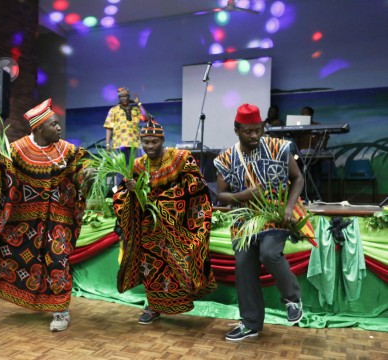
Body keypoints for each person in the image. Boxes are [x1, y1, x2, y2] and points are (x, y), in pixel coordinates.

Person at [0, 99, 93, 332]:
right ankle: (32, 298)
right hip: (24, 221)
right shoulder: (16, 150)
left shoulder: (66, 151)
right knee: (18, 257)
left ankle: (61, 311)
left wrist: (87, 174)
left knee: (57, 261)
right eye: (54, 125)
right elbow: (1, 179)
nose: (59, 128)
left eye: (58, 124)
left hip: (58, 219)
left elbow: (79, 172)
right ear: (38, 129)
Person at [214, 104, 305, 341]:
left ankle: (292, 298)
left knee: (269, 254)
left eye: (258, 130)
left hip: (274, 214)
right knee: (244, 266)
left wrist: (288, 207)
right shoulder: (226, 158)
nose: (254, 135)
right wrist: (243, 195)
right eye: (248, 131)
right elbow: (221, 195)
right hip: (244, 219)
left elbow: (298, 178)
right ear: (237, 130)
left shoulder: (279, 148)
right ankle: (250, 324)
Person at [113, 118, 217, 325]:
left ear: (162, 140)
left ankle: (182, 301)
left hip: (177, 225)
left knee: (177, 264)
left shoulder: (180, 158)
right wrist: (132, 192)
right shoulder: (137, 165)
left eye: (154, 142)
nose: (150, 146)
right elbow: (121, 193)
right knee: (150, 268)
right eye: (146, 142)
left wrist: (163, 203)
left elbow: (196, 186)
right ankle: (152, 307)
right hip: (148, 229)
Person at [104, 87, 149, 183]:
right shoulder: (113, 110)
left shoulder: (135, 110)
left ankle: (135, 193)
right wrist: (107, 144)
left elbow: (146, 118)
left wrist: (139, 104)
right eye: (120, 97)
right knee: (121, 171)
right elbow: (109, 127)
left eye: (125, 96)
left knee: (136, 169)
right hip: (119, 146)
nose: (123, 98)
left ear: (128, 97)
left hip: (134, 145)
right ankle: (120, 194)